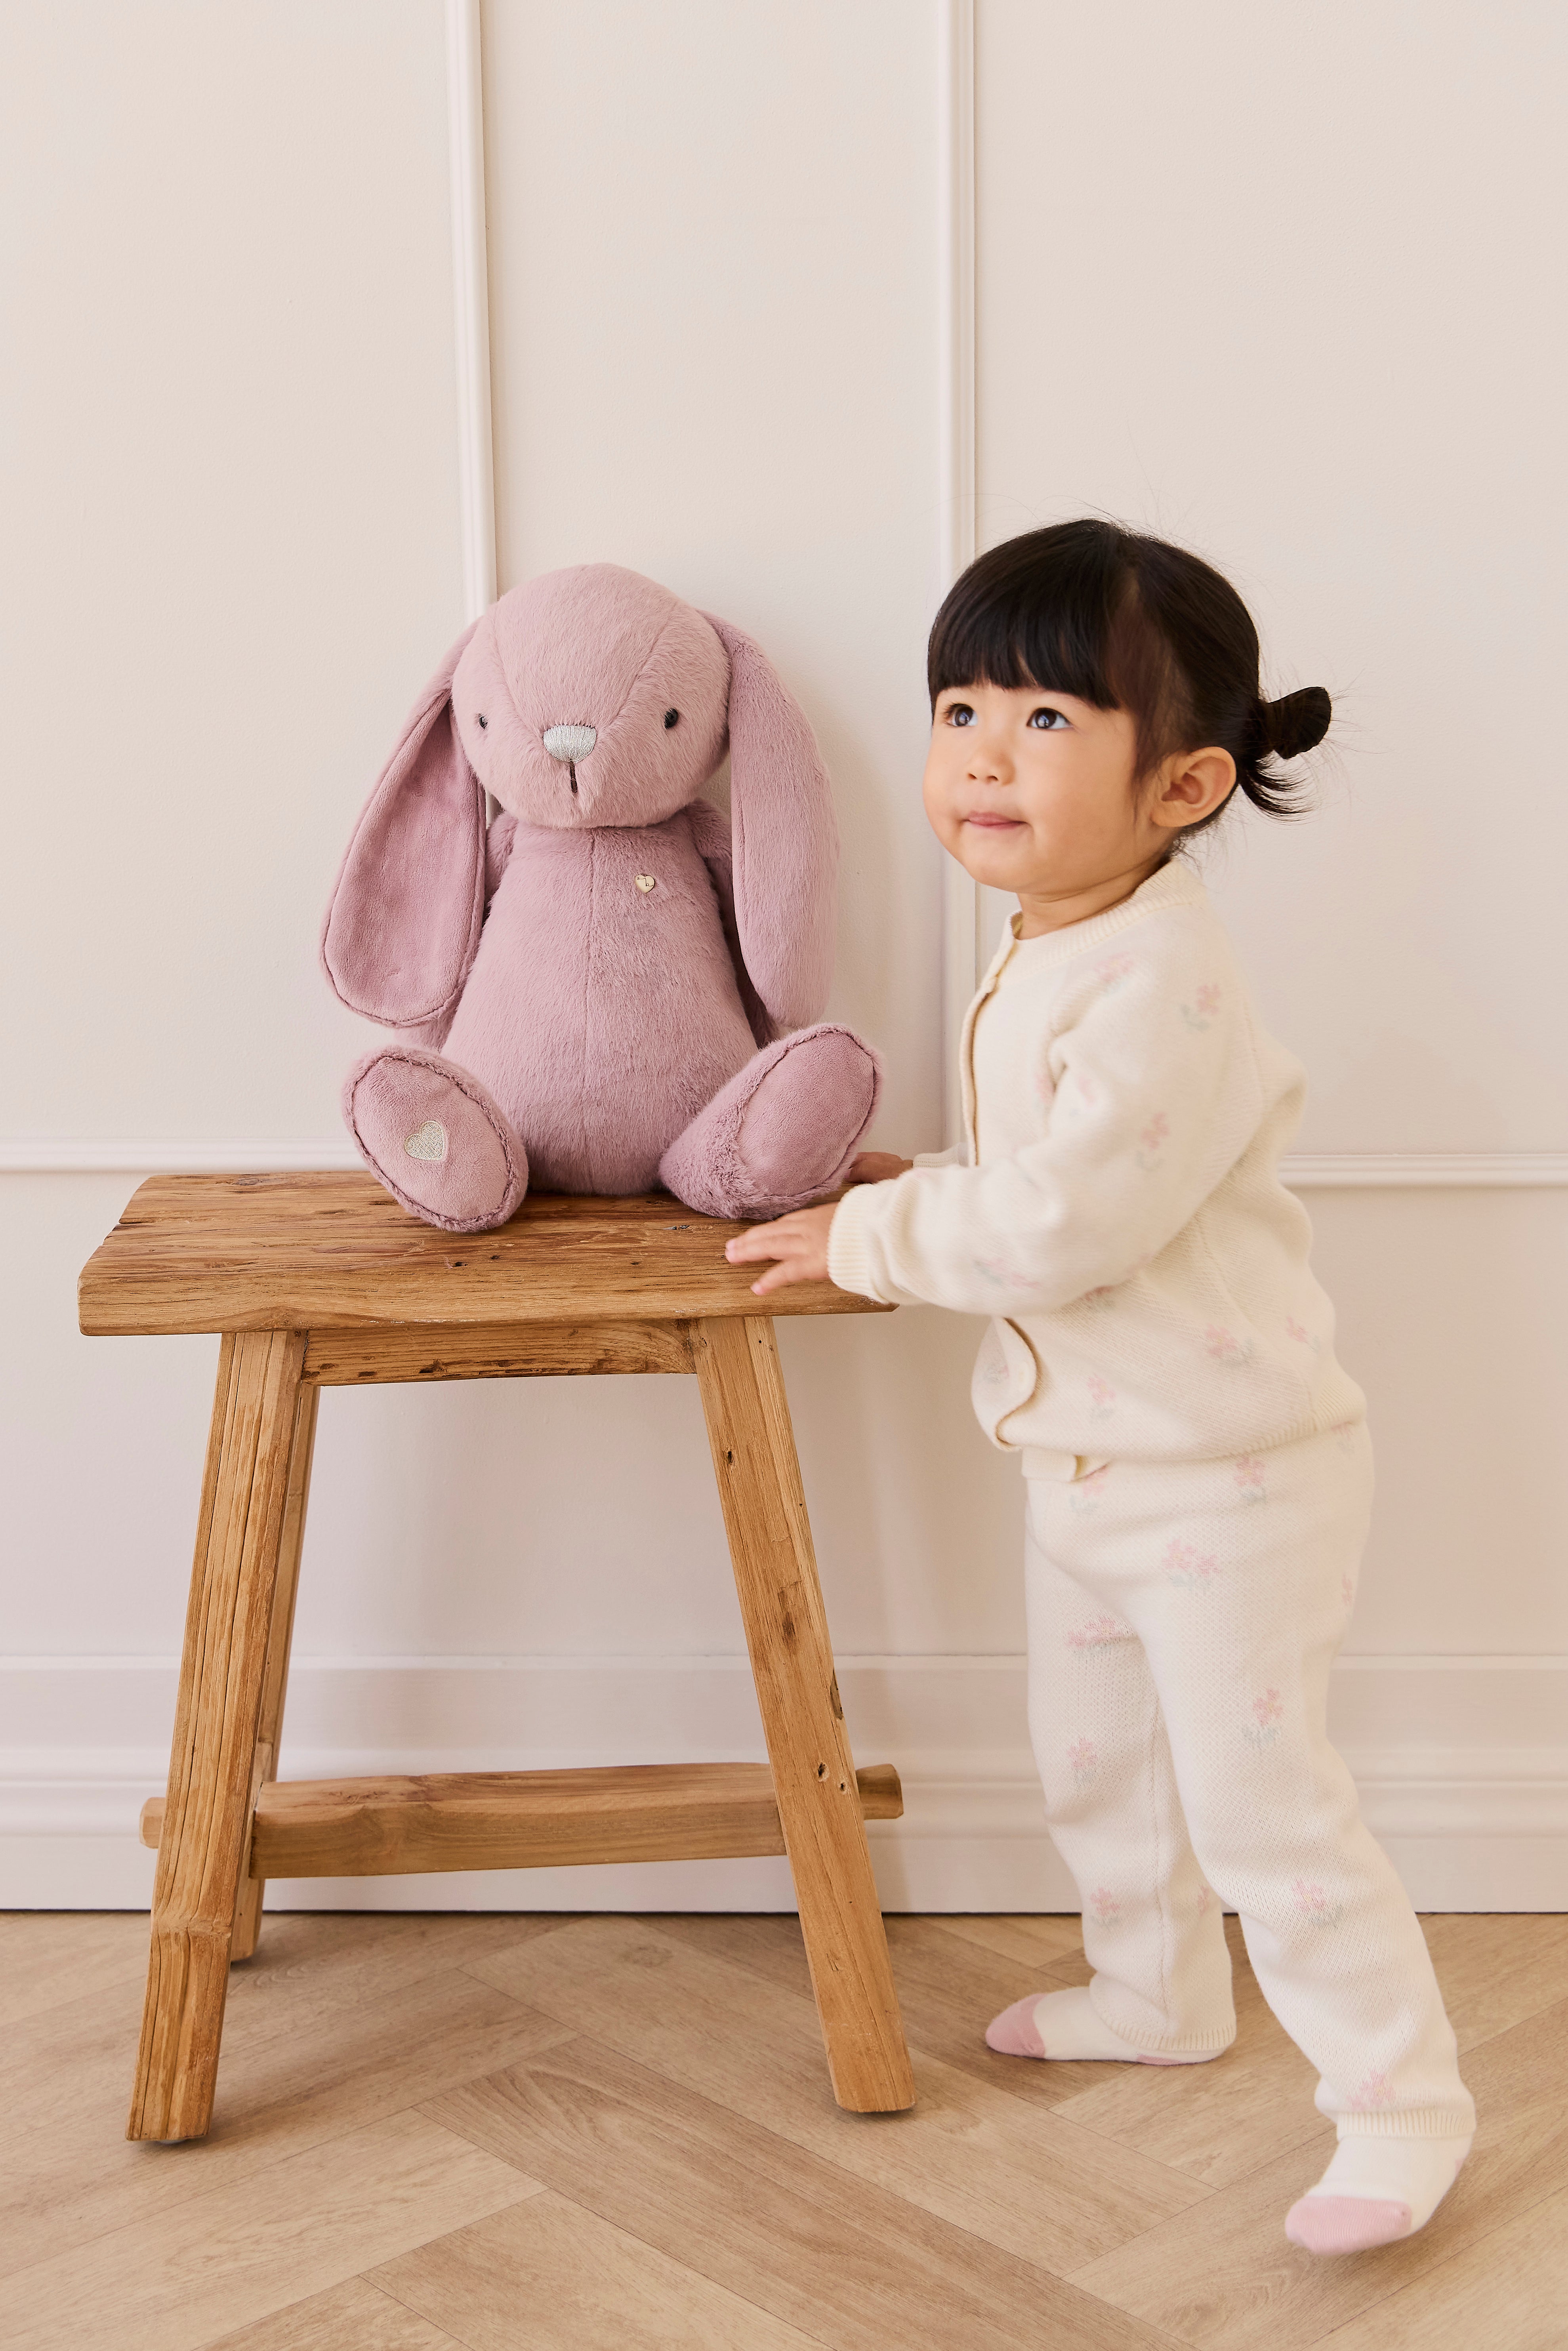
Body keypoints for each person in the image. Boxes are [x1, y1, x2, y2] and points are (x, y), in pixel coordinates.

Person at [725, 521, 1475, 2256]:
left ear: (1187, 781)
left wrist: (877, 1233)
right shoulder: (1063, 936)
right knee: (1098, 1760)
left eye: (1050, 718)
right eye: (963, 704)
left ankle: (1403, 2098)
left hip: (1234, 1480)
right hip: (1090, 1465)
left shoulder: (1165, 975)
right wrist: (900, 1196)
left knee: (1266, 1807)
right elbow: (1049, 1172)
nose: (985, 749)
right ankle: (1155, 1988)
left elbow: (1067, 1214)